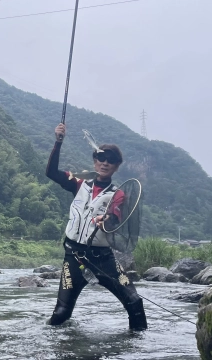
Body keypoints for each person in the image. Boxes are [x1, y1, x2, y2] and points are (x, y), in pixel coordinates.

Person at [44, 123, 147, 331]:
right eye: (102, 158)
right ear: (95, 160)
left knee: (135, 302)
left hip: (103, 259)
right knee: (61, 313)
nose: (105, 163)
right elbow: (51, 172)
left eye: (112, 160)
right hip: (74, 257)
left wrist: (105, 220)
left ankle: (139, 348)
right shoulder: (79, 182)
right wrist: (58, 141)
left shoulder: (118, 194)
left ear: (117, 166)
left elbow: (115, 218)